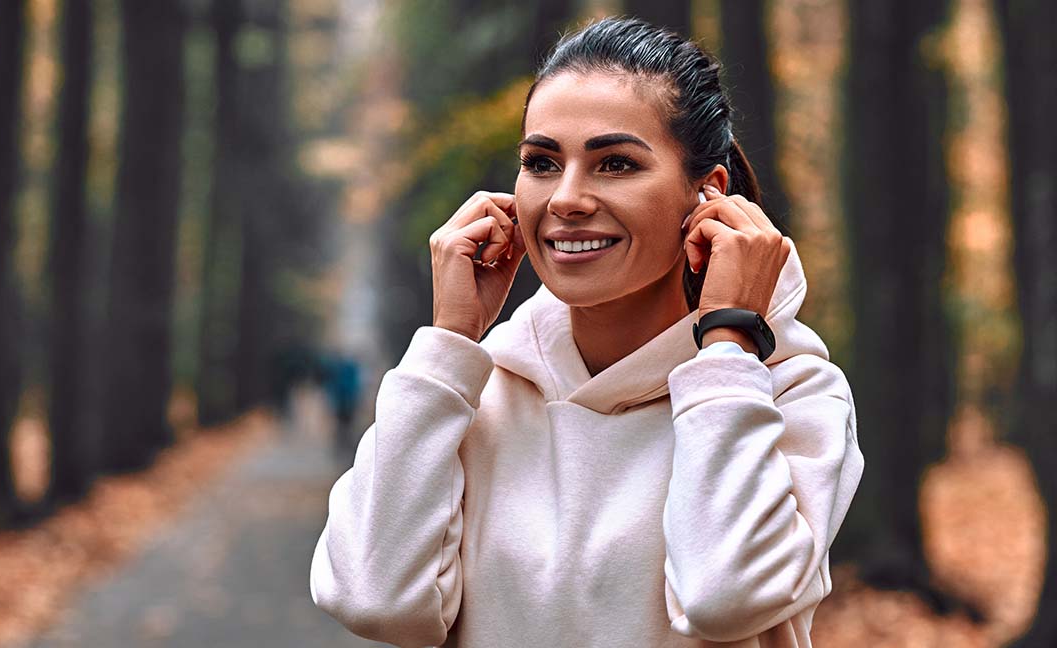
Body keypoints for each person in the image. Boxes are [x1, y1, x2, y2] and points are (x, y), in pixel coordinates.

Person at [311, 16, 863, 648]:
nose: (566, 197)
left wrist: (728, 347)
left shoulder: (788, 389)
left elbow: (724, 596)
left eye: (616, 164)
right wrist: (448, 345)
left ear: (706, 195)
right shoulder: (475, 392)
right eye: (542, 162)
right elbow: (373, 599)